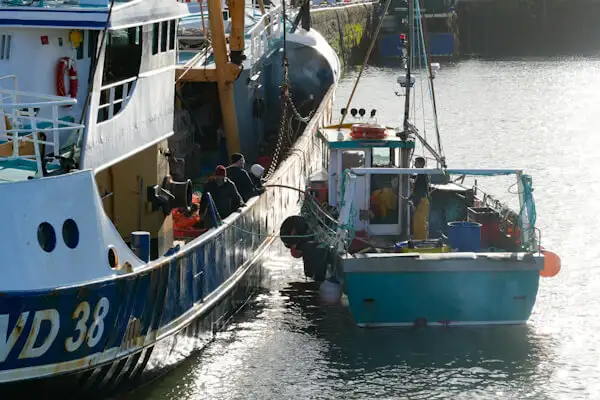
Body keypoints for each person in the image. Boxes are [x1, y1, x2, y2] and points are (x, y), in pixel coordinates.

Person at [410, 156, 430, 240]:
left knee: (420, 224)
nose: (414, 164)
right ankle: (418, 239)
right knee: (417, 223)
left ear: (421, 164)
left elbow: (420, 192)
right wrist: (408, 198)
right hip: (421, 201)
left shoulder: (422, 176)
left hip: (422, 202)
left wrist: (415, 205)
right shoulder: (420, 174)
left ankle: (421, 241)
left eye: (416, 162)